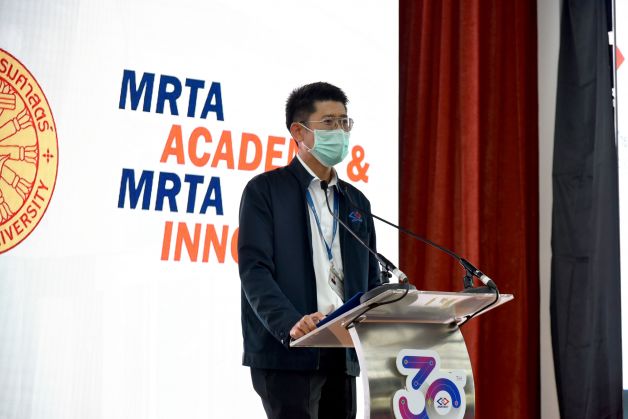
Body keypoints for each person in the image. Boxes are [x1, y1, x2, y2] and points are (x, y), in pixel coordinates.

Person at [238, 82, 382, 419]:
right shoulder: (265, 191)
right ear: (298, 132)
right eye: (329, 122)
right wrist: (290, 323)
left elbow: (371, 277)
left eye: (344, 122)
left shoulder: (355, 202)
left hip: (342, 350)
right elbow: (254, 270)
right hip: (290, 349)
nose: (340, 132)